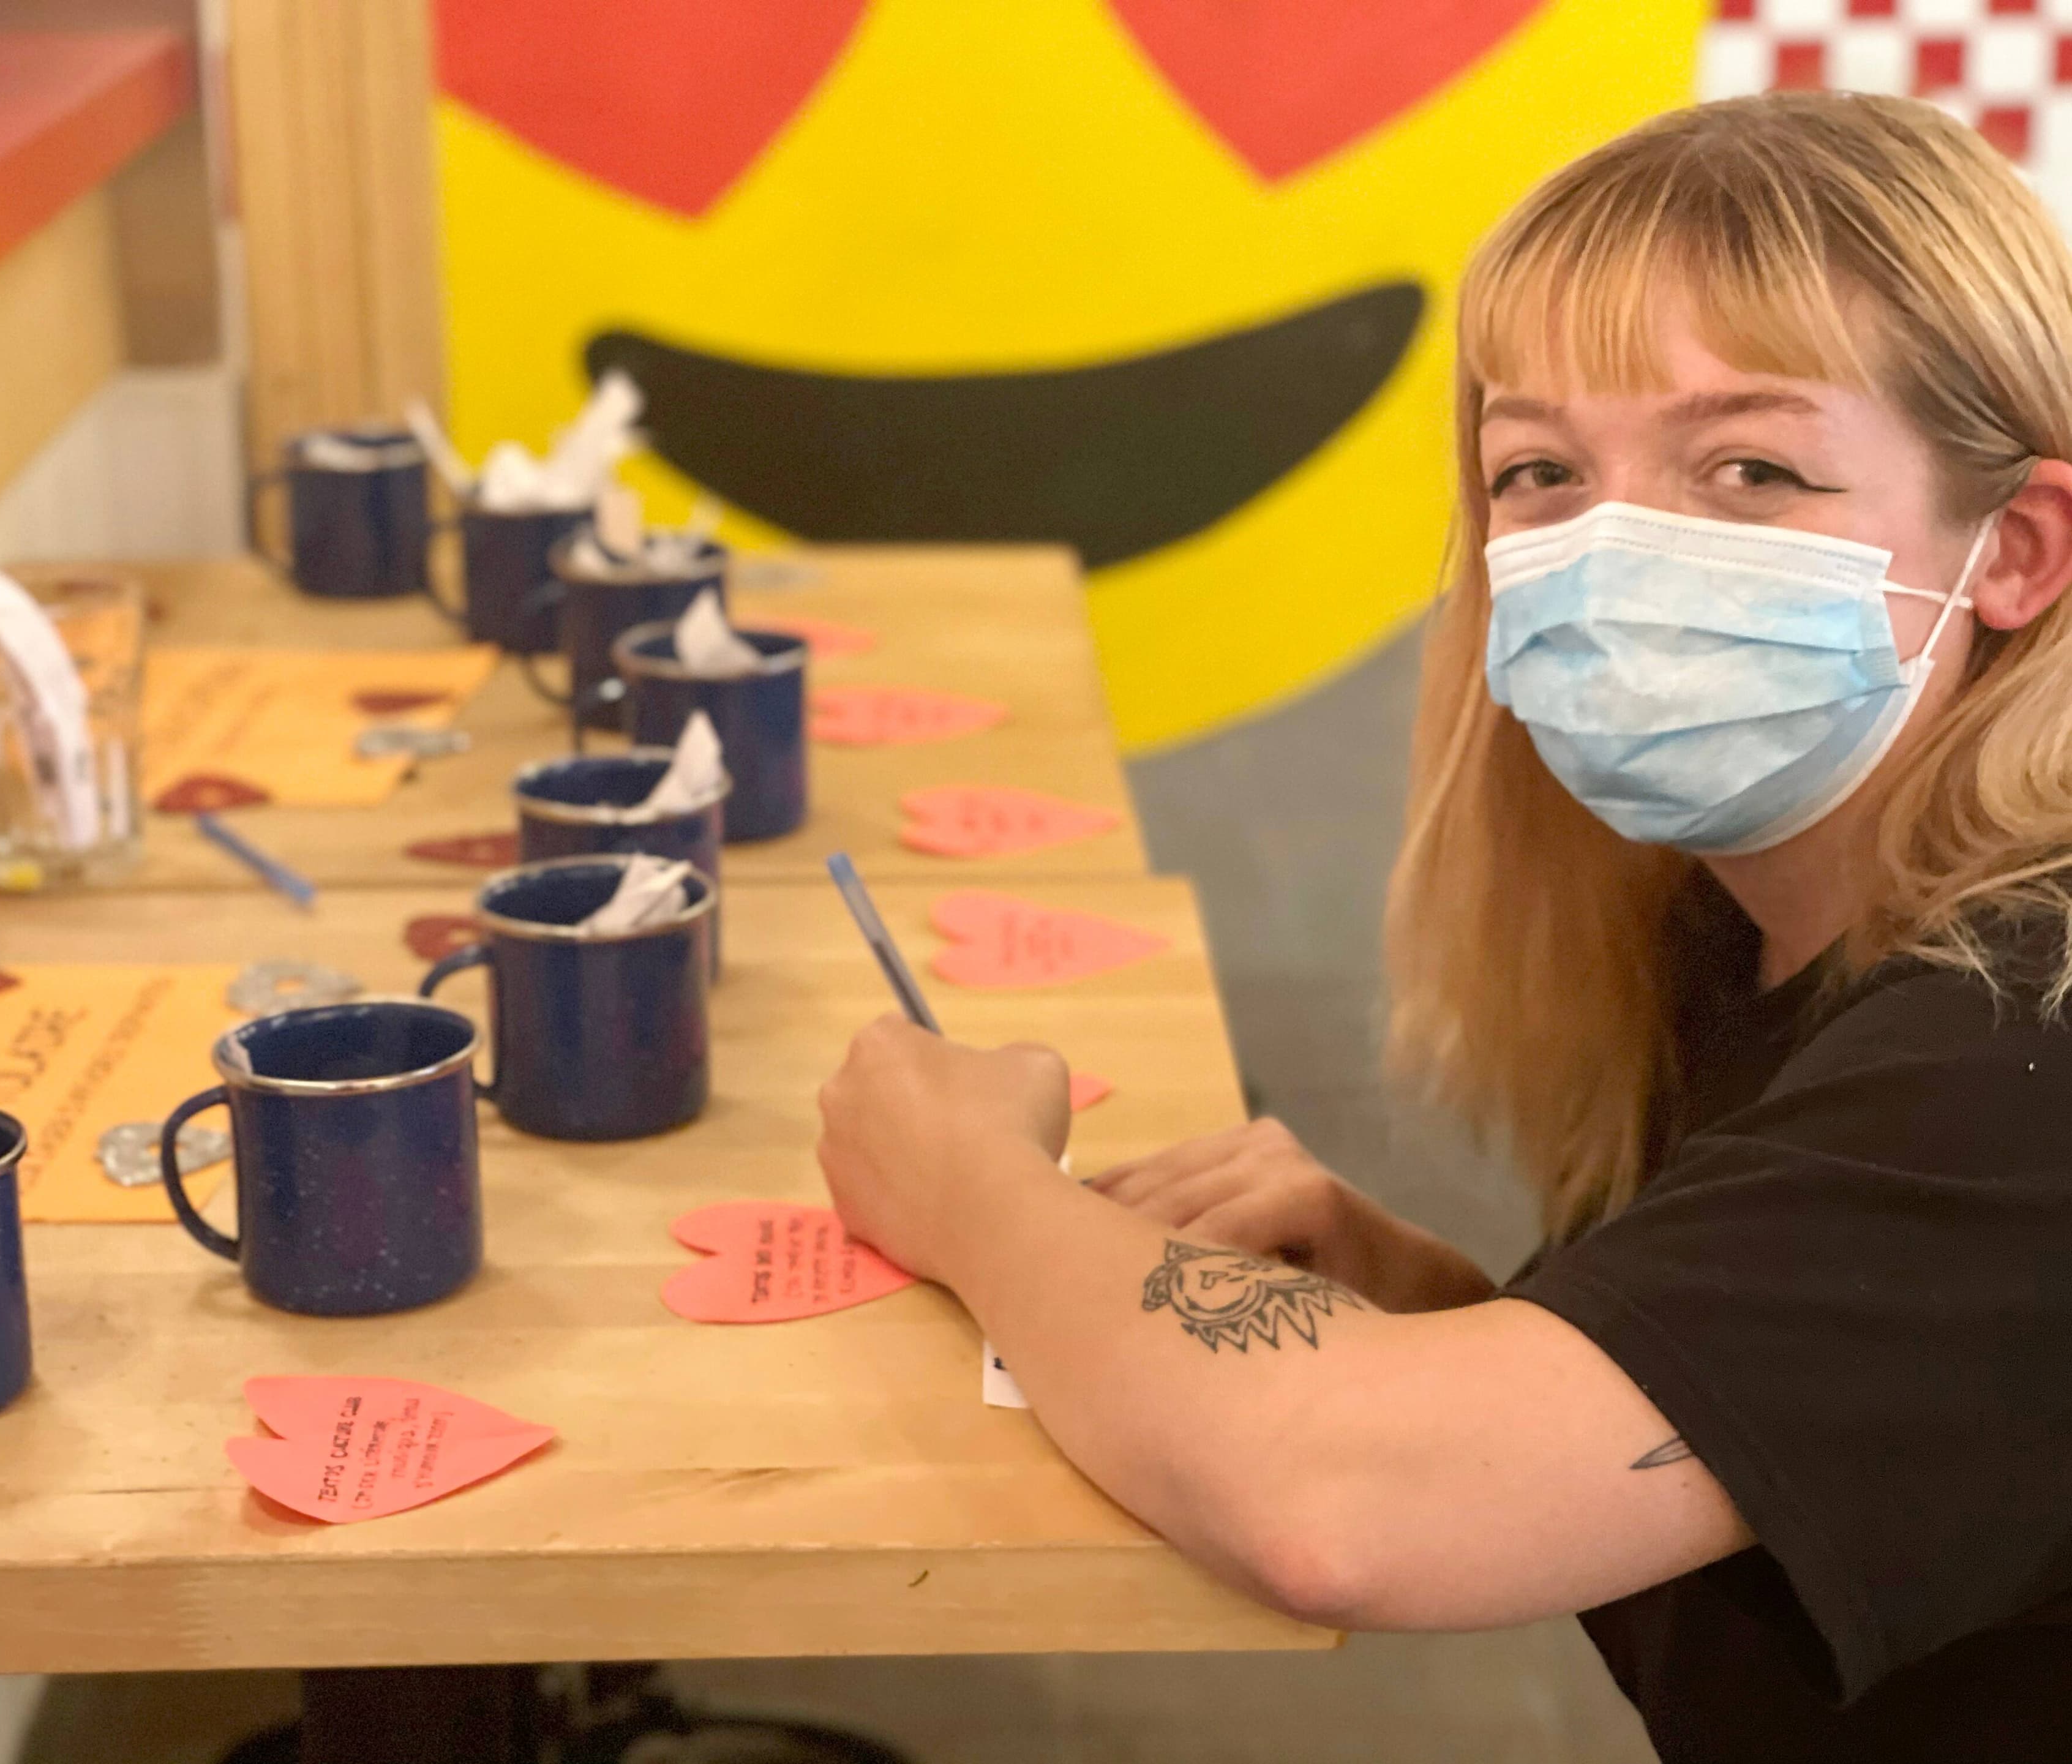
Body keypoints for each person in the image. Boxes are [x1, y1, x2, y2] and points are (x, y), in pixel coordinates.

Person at [814, 92, 2072, 1763]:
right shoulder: (1738, 926)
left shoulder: (2020, 1052)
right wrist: (1437, 1311)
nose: (1615, 547)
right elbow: (1807, 1432)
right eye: (1541, 471)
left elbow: (1339, 1510)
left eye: (1751, 468)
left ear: (2019, 550)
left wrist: (966, 1181)